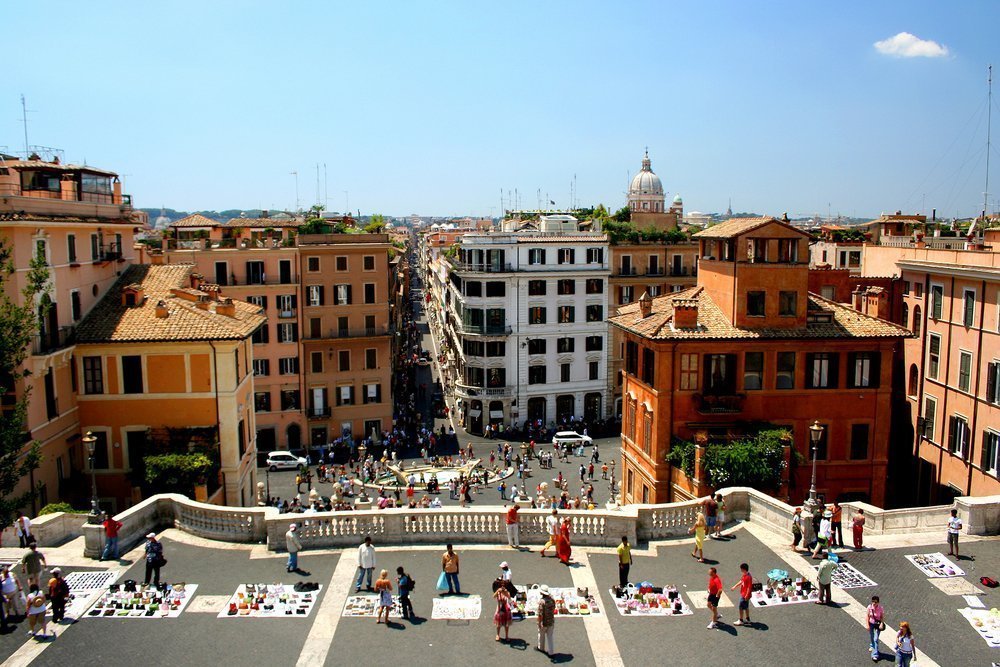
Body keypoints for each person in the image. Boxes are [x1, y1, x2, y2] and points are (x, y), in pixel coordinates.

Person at [536, 584, 556, 656]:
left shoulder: (542, 602)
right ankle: (551, 652)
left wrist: (539, 622)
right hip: (551, 621)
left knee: (541, 635)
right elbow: (554, 608)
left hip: (544, 622)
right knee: (550, 637)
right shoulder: (552, 600)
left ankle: (541, 648)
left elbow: (540, 614)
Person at [867, 595, 885, 661]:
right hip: (871, 623)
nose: (874, 603)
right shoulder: (869, 607)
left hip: (878, 625)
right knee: (872, 636)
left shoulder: (880, 608)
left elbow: (882, 617)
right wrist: (867, 625)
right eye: (873, 602)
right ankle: (872, 646)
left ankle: (874, 655)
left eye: (875, 602)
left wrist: (882, 624)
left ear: (878, 602)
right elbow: (867, 616)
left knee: (876, 638)